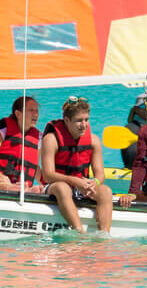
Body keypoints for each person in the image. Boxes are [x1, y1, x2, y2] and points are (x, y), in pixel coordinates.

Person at [39, 96, 114, 234]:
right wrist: (74, 181)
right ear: (66, 120)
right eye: (79, 121)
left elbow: (100, 175)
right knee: (63, 188)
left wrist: (94, 183)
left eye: (86, 120)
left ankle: (104, 235)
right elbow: (48, 175)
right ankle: (79, 232)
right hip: (55, 186)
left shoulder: (93, 141)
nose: (84, 124)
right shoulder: (51, 140)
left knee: (106, 191)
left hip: (81, 186)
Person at [0, 95, 44, 190]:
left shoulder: (39, 138)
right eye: (31, 110)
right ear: (18, 114)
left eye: (37, 111)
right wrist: (0, 176)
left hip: (22, 184)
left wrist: (45, 184)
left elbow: (34, 167)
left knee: (32, 187)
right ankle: (19, 189)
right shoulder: (3, 132)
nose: (35, 114)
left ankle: (25, 189)